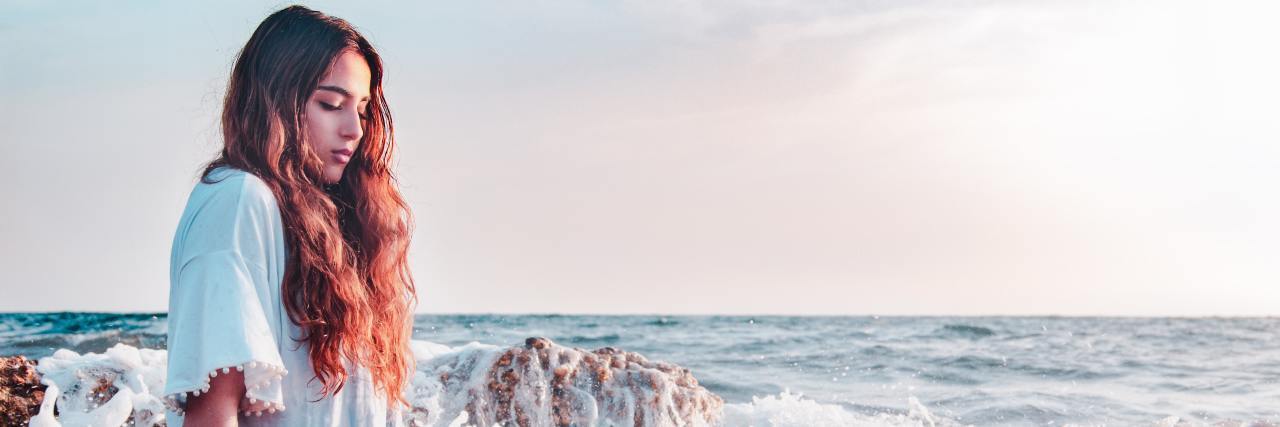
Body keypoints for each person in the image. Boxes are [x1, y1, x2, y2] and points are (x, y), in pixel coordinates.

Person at [163, 5, 416, 426]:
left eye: (364, 110)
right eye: (331, 104)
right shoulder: (238, 201)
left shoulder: (334, 221)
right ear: (274, 102)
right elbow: (211, 416)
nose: (355, 128)